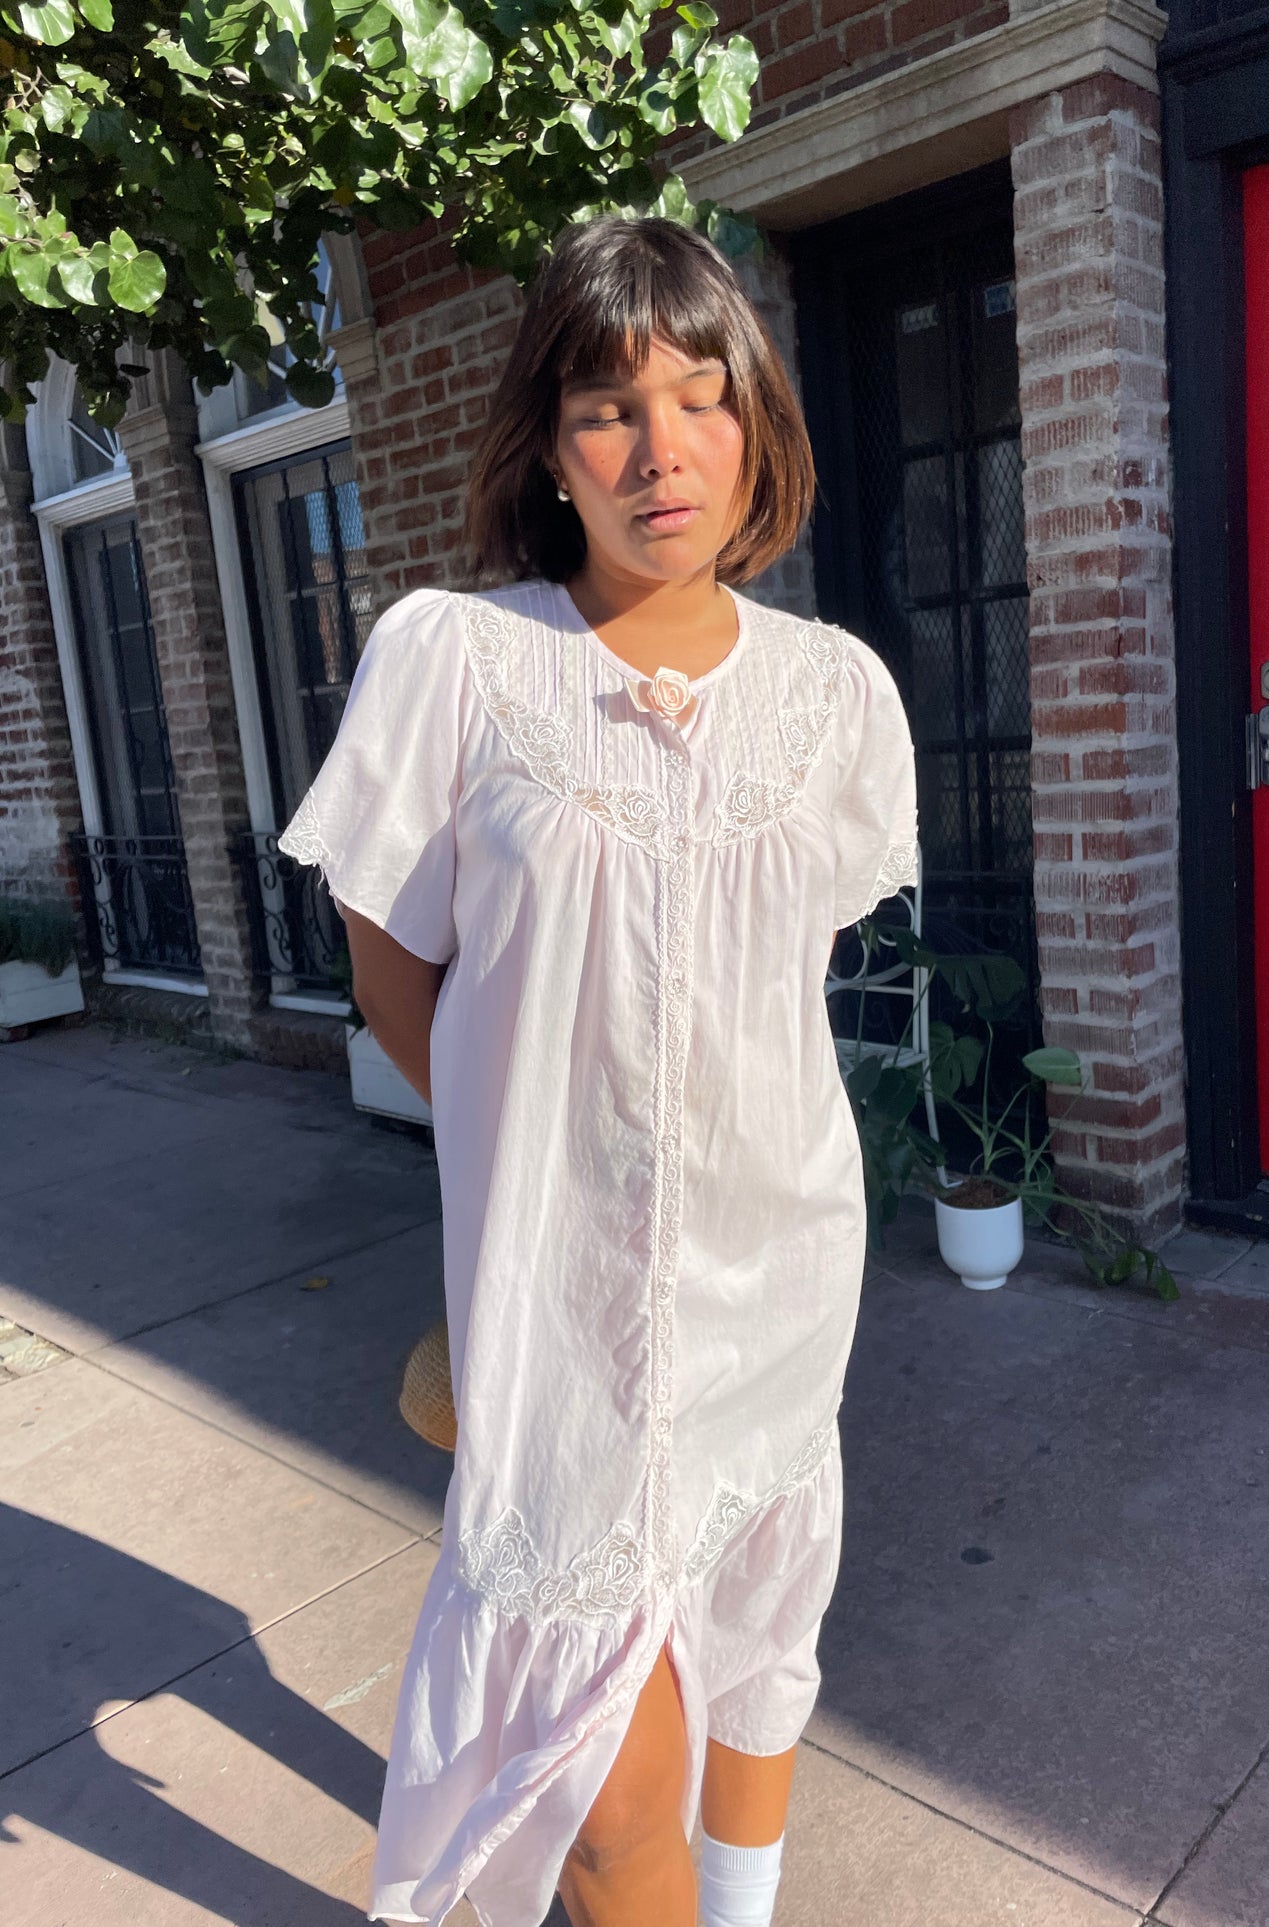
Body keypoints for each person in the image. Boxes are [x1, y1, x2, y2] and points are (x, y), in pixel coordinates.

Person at [277, 213, 919, 1927]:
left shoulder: (835, 696)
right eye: (606, 409)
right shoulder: (457, 662)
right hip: (559, 1319)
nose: (659, 451)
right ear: (549, 449)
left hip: (780, 1283)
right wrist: (545, 1155)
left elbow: (772, 993)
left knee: (756, 1632)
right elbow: (397, 977)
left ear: (757, 424)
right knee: (605, 1800)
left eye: (701, 398)